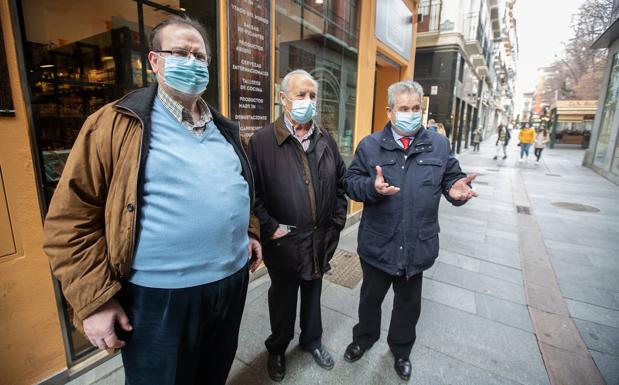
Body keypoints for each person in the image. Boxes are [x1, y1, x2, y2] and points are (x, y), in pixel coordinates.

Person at [43, 16, 262, 385]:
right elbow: (70, 221)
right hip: (159, 300)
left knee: (213, 375)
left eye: (200, 57)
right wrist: (95, 301)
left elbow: (240, 192)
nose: (192, 63)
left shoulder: (225, 130)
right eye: (180, 52)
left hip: (230, 287)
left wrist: (250, 232)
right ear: (154, 61)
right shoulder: (115, 125)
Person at [342, 80, 477, 381]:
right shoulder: (369, 146)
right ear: (390, 111)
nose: (411, 114)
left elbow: (452, 181)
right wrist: (372, 188)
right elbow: (350, 183)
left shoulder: (439, 145)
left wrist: (457, 192)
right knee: (370, 300)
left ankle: (401, 350)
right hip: (378, 245)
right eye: (404, 109)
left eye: (416, 108)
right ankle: (364, 339)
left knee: (408, 305)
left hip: (417, 245)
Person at [248, 69, 348, 382]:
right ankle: (277, 348)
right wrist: (269, 226)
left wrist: (336, 224)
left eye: (312, 95)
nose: (307, 101)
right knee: (283, 299)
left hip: (320, 241)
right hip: (283, 243)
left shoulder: (326, 139)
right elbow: (252, 194)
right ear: (283, 98)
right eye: (300, 94)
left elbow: (342, 184)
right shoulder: (262, 142)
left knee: (314, 294)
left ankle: (312, 341)